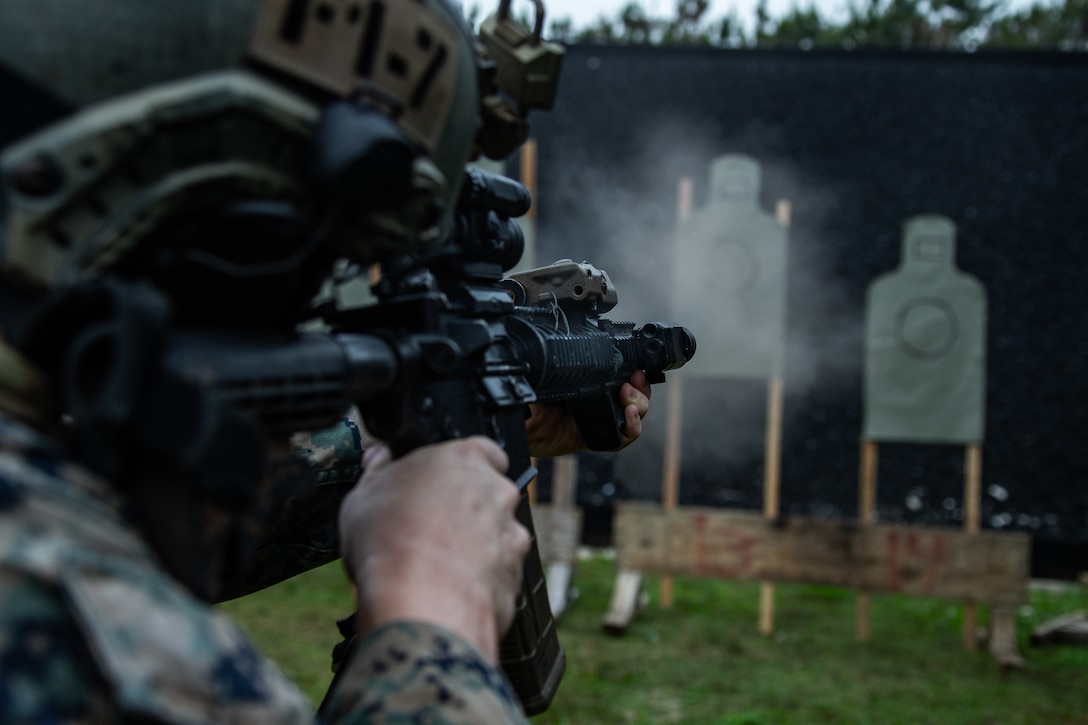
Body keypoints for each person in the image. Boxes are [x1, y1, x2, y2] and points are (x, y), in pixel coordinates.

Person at [0, 1, 652, 723]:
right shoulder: (93, 635)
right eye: (299, 264)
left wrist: (474, 437)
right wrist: (434, 614)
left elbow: (114, 504)